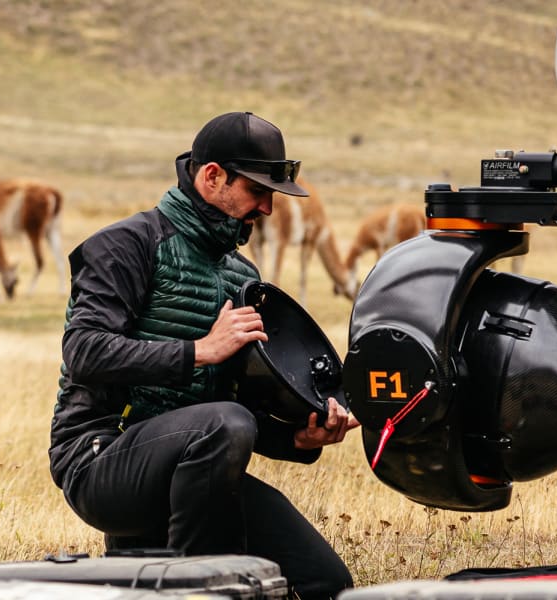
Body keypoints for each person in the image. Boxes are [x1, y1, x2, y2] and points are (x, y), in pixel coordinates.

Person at [49, 112, 360, 599]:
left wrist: (297, 437)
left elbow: (236, 403)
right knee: (224, 424)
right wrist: (200, 350)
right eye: (258, 191)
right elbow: (85, 351)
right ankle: (198, 589)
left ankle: (171, 570)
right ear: (211, 176)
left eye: (273, 194)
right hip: (100, 461)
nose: (268, 209)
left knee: (326, 581)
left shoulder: (242, 275)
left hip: (198, 472)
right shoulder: (127, 244)